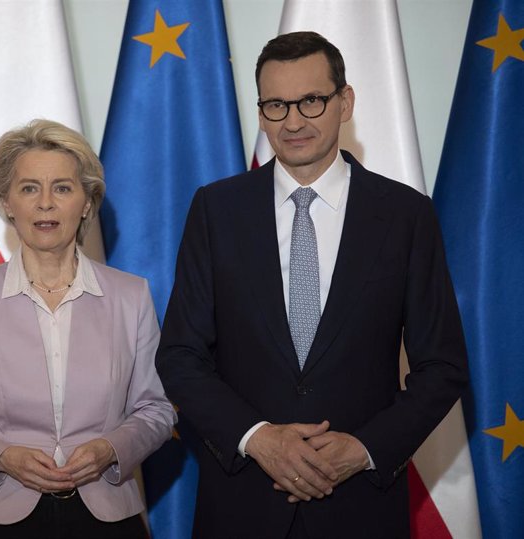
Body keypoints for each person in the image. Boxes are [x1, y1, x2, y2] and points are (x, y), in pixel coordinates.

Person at [156, 32, 468, 539]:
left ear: (344, 102)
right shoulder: (216, 210)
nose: (294, 121)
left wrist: (364, 449)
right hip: (242, 506)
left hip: (361, 506)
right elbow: (179, 355)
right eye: (277, 105)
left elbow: (443, 366)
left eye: (311, 101)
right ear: (260, 114)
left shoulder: (406, 214)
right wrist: (258, 439)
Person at [0, 119, 176, 538]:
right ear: (6, 203)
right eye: (30, 188)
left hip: (106, 516)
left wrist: (112, 449)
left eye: (63, 188)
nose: (46, 203)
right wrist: (1, 456)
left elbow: (157, 410)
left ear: (87, 203)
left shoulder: (131, 296)